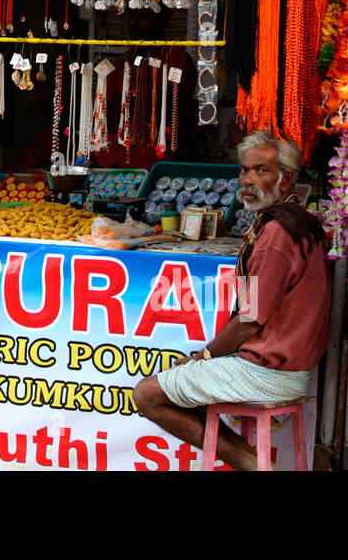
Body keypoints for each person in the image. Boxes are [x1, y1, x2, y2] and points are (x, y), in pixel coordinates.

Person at [134, 131, 330, 470]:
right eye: (244, 171)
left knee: (147, 395)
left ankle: (250, 462)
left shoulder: (277, 234)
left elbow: (251, 318)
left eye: (261, 171)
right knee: (185, 390)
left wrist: (204, 356)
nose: (248, 180)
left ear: (287, 180)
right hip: (286, 366)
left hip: (269, 370)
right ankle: (250, 461)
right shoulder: (296, 220)